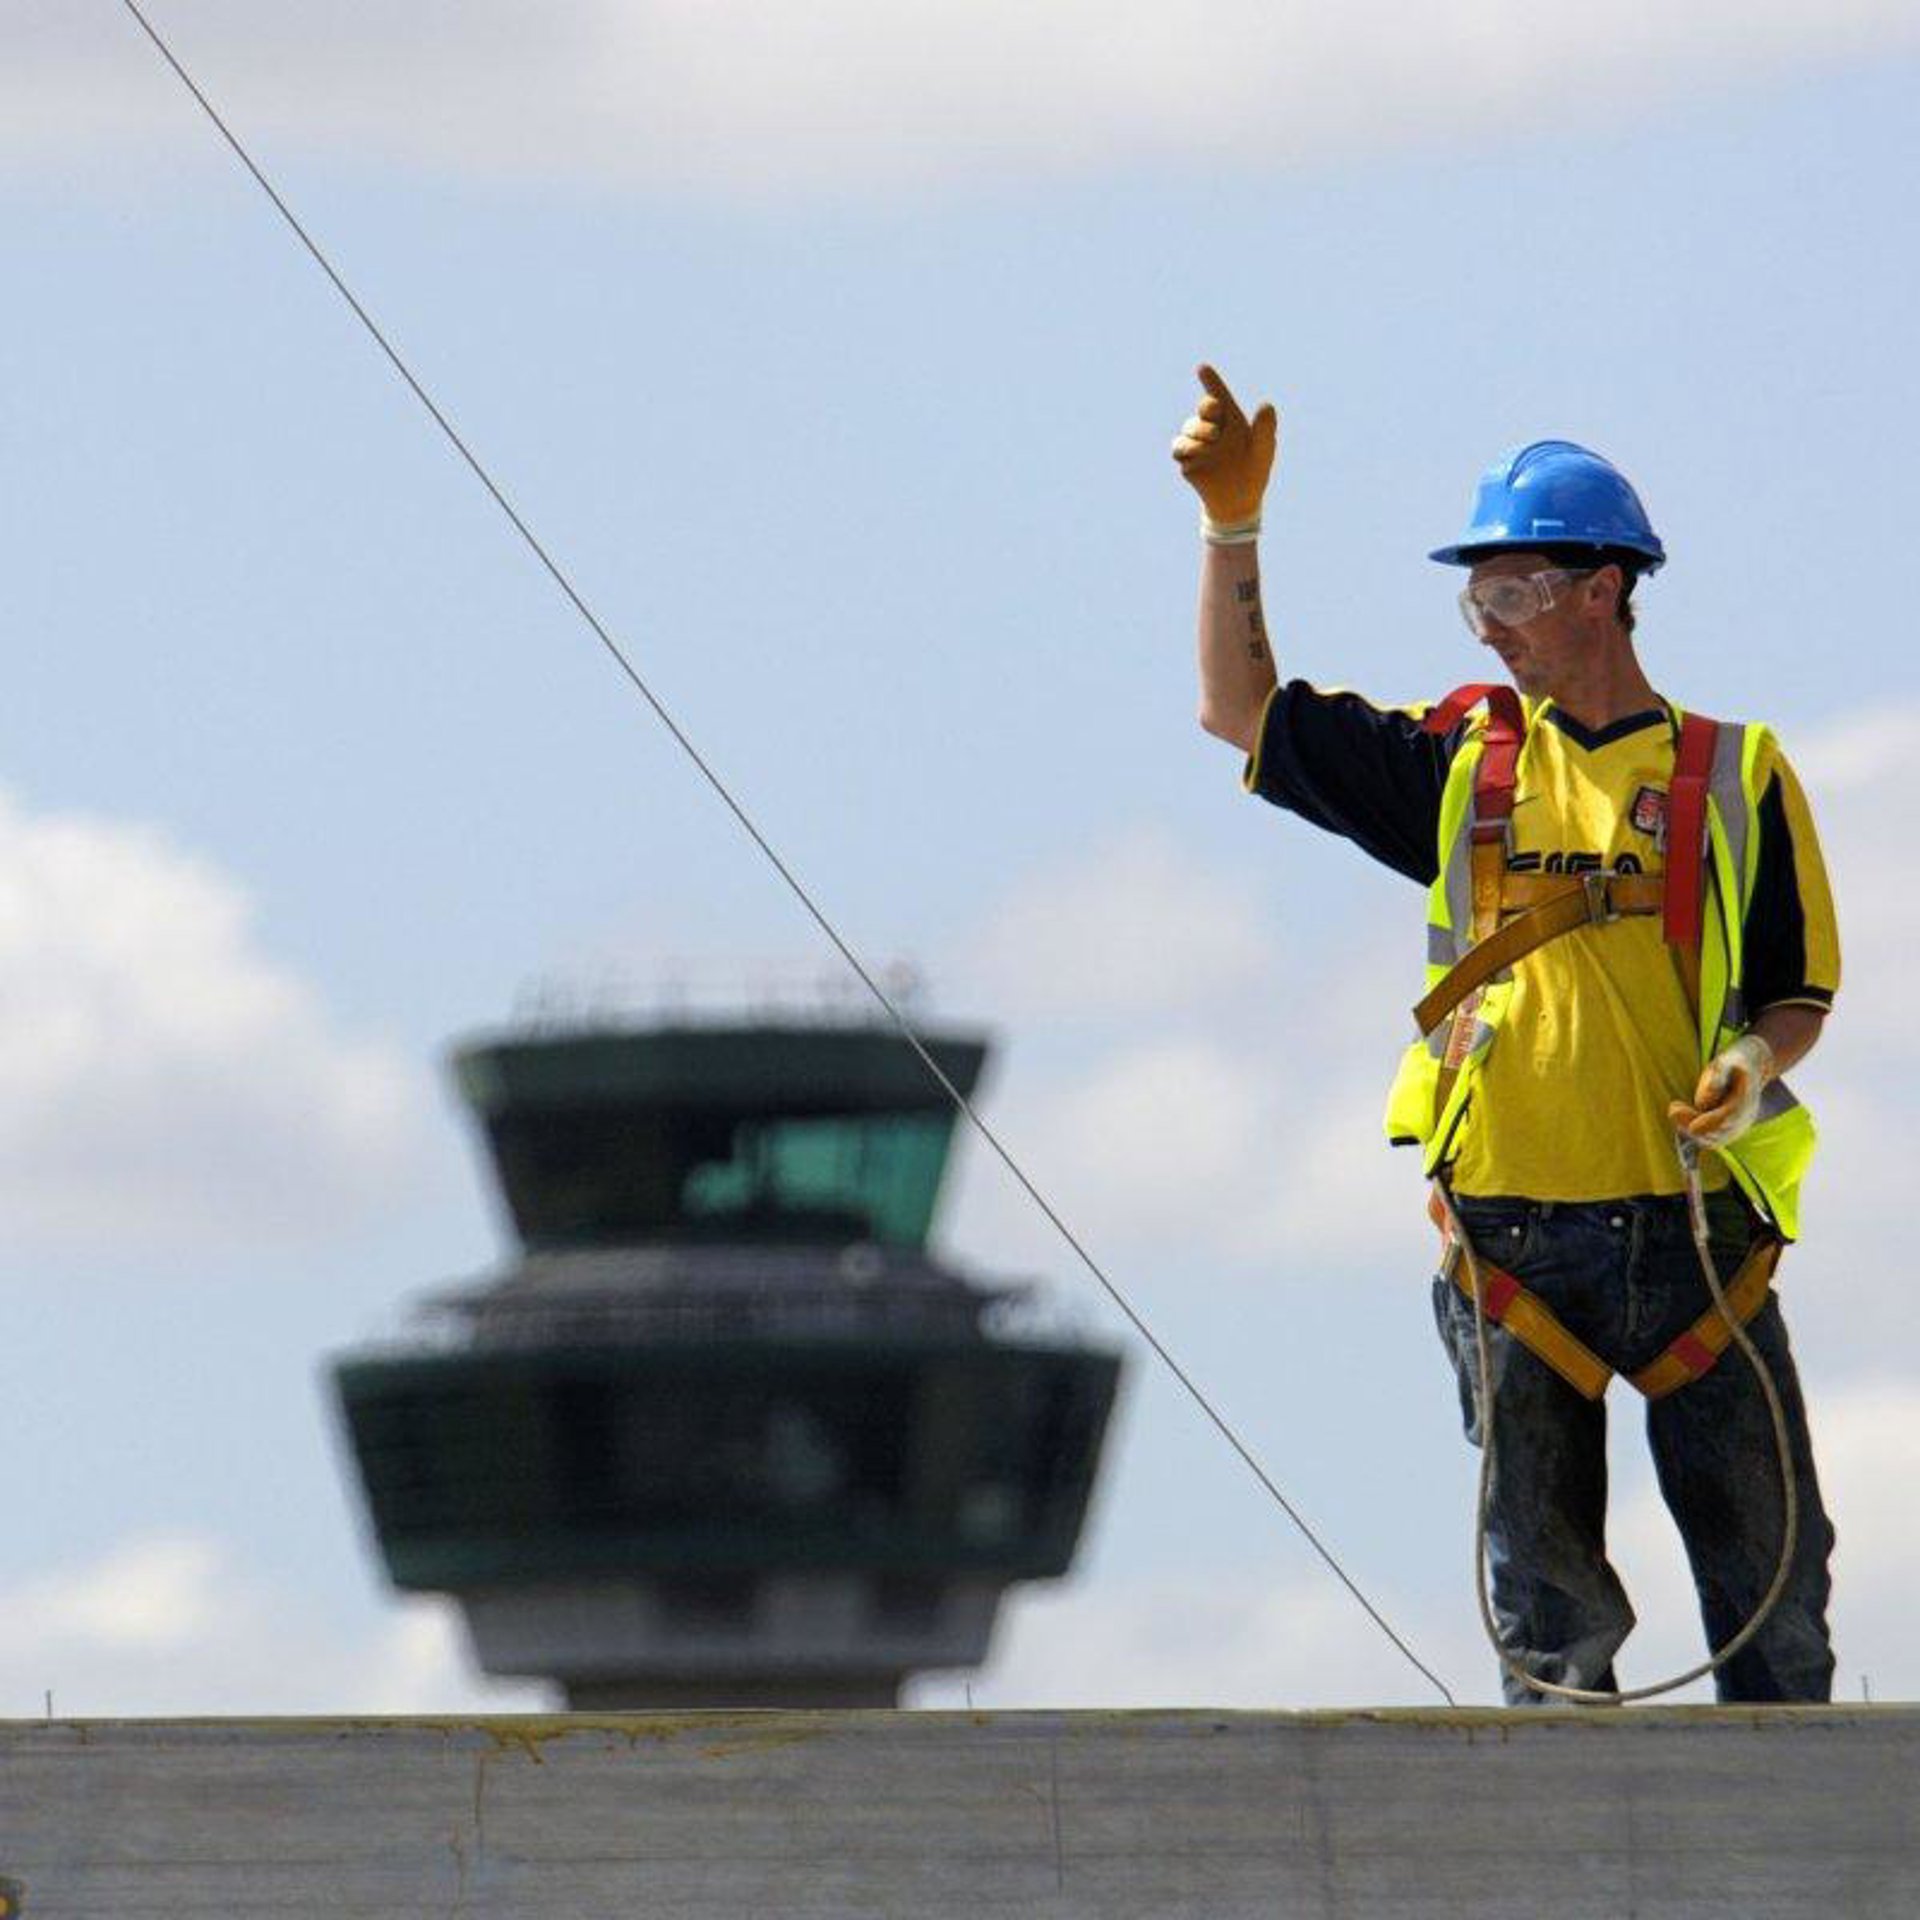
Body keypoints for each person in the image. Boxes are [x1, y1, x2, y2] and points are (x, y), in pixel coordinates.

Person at [1172, 364, 1839, 1704]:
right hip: (1510, 1237)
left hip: (1696, 1230)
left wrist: (1751, 1061)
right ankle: (1569, 1832)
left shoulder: (1736, 775)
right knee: (1547, 1617)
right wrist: (1230, 528)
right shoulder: (1463, 766)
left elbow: (1797, 991)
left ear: (1604, 588)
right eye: (1476, 600)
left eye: (1516, 592)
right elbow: (1242, 714)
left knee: (1774, 1593)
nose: (1491, 628)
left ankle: (1796, 1832)